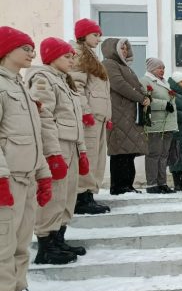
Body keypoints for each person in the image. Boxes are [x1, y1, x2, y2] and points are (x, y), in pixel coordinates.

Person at [0, 27, 52, 291]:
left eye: (32, 48)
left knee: (20, 243)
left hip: (26, 177)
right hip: (7, 180)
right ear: (7, 51)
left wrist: (43, 173)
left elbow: (33, 137)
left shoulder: (19, 85)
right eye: (26, 48)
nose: (32, 53)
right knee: (3, 242)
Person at [26, 37, 90, 265]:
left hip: (71, 144)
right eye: (67, 56)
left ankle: (58, 239)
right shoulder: (43, 79)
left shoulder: (63, 80)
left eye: (73, 56)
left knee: (67, 195)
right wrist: (52, 154)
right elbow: (44, 119)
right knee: (54, 195)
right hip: (58, 145)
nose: (72, 60)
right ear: (52, 57)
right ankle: (46, 246)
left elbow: (74, 120)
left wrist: (82, 150)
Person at [71, 18, 111, 214]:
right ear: (83, 35)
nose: (98, 39)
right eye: (95, 35)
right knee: (88, 156)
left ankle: (89, 194)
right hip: (89, 117)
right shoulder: (78, 55)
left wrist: (107, 116)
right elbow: (76, 87)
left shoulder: (91, 55)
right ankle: (81, 197)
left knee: (97, 158)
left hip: (98, 117)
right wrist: (85, 112)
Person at [103, 38, 149, 195]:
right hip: (118, 113)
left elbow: (137, 86)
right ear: (112, 49)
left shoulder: (125, 67)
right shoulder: (109, 64)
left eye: (125, 48)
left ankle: (127, 185)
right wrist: (140, 97)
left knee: (129, 152)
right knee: (120, 151)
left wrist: (145, 96)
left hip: (129, 113)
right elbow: (119, 85)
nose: (125, 51)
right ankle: (118, 187)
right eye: (121, 48)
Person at [140, 58, 178, 194]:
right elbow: (144, 99)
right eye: (159, 68)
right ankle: (152, 184)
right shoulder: (145, 81)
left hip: (167, 124)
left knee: (163, 155)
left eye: (163, 68)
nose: (162, 70)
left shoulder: (164, 82)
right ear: (151, 69)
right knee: (153, 154)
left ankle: (162, 183)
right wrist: (164, 104)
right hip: (155, 124)